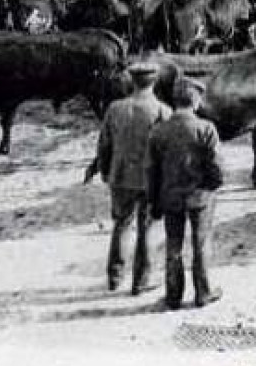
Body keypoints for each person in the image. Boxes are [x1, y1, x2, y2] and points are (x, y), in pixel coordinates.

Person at [147, 78, 224, 310]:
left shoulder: (159, 131)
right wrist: (211, 186)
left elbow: (152, 170)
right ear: (195, 101)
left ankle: (173, 296)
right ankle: (203, 293)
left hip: (170, 197)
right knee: (201, 244)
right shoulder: (206, 129)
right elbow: (217, 168)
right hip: (200, 197)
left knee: (173, 246)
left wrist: (154, 201)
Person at [95, 60, 171, 294]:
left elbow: (103, 145)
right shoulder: (162, 111)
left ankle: (115, 278)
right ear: (154, 81)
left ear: (131, 80)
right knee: (146, 228)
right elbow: (165, 151)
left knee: (121, 225)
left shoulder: (115, 108)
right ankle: (141, 281)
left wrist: (105, 170)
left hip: (120, 176)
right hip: (148, 179)